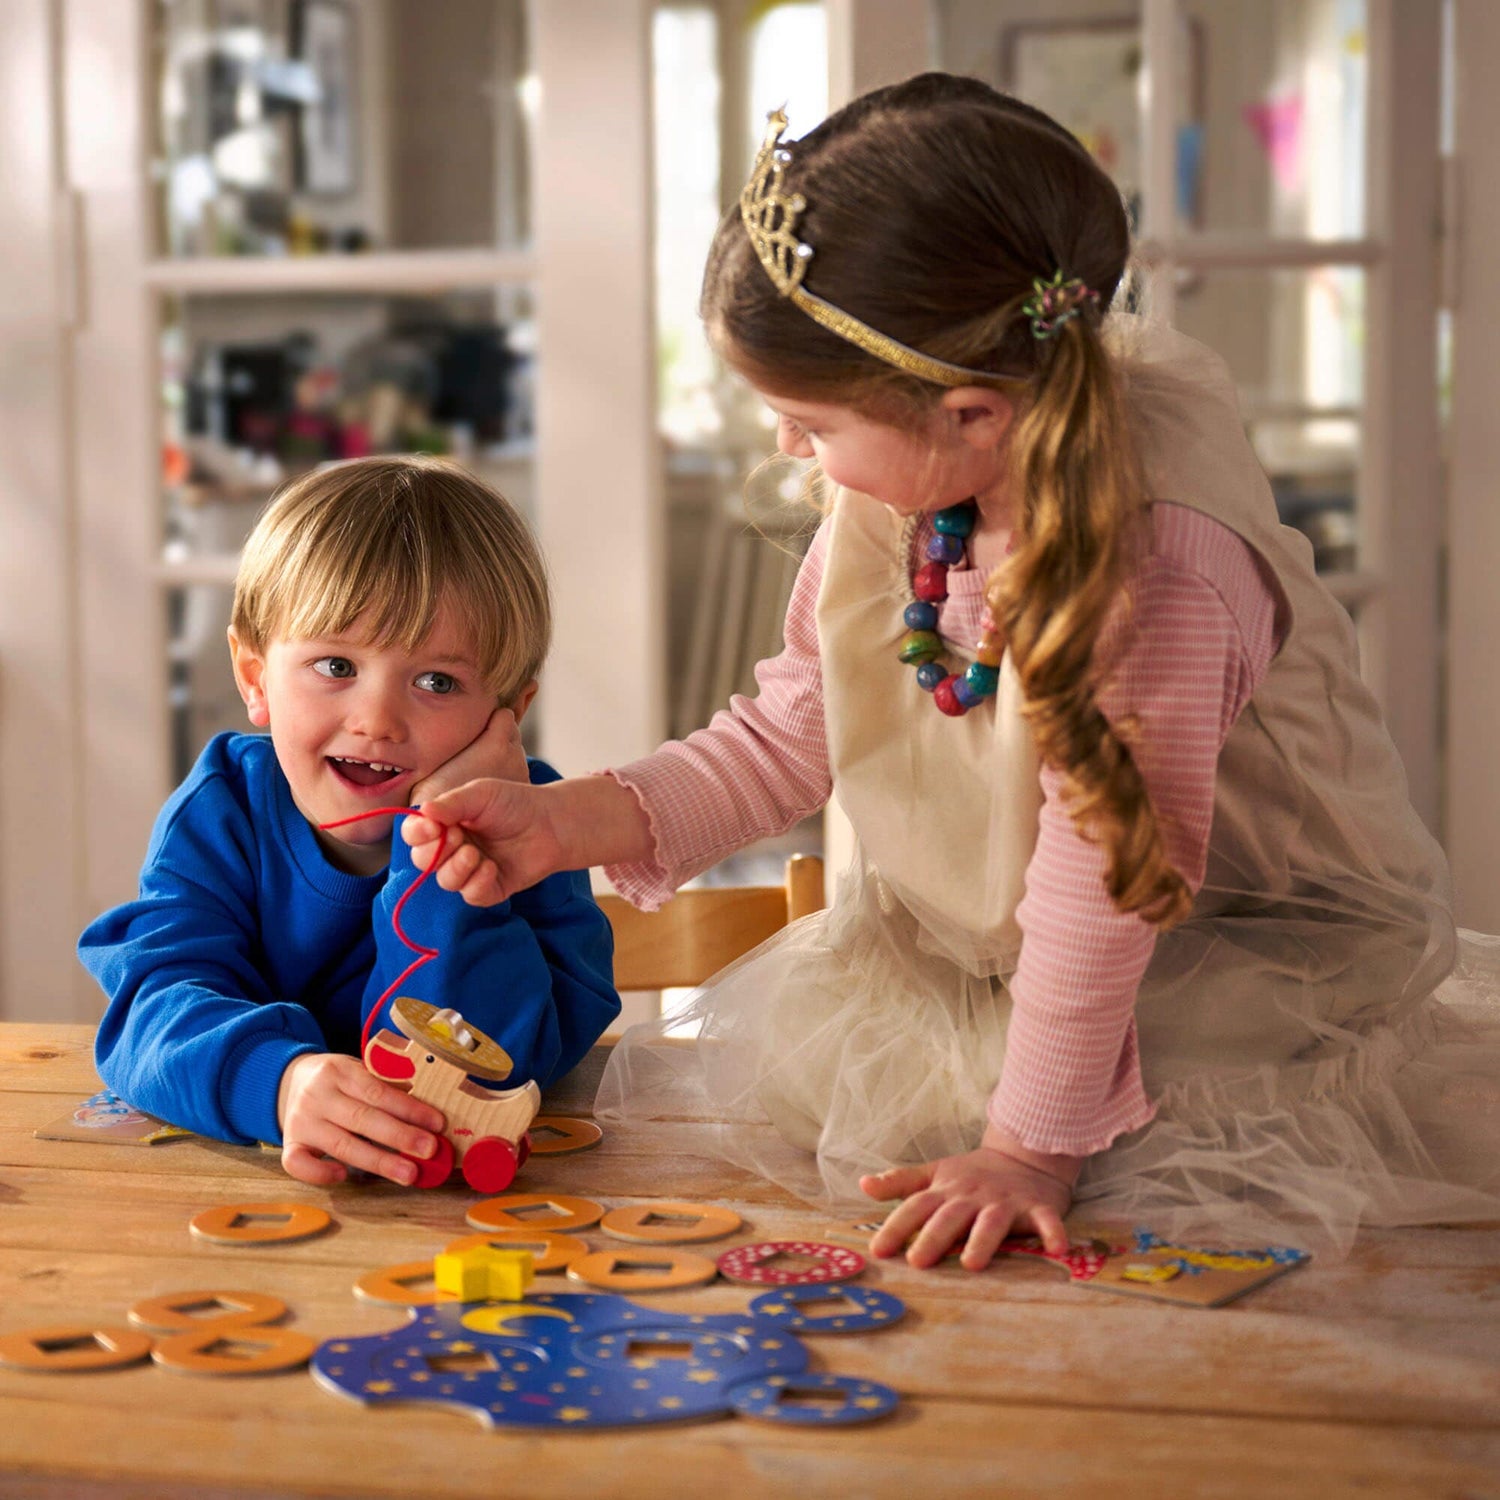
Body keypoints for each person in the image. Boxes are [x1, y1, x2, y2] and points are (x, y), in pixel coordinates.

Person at [402, 73, 1500, 1266]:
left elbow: (1105, 883)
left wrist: (1031, 1147)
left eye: (814, 422)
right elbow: (796, 726)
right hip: (1009, 968)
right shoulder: (918, 481)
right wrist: (568, 822)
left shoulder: (1157, 574)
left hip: (1227, 981)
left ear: (971, 414)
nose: (788, 444)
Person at [79, 455, 619, 1187]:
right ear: (254, 677)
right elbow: (150, 1013)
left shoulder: (531, 827)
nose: (376, 720)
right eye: (336, 666)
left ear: (507, 716)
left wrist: (442, 860)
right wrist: (278, 1083)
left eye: (436, 681)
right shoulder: (220, 812)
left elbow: (504, 1064)